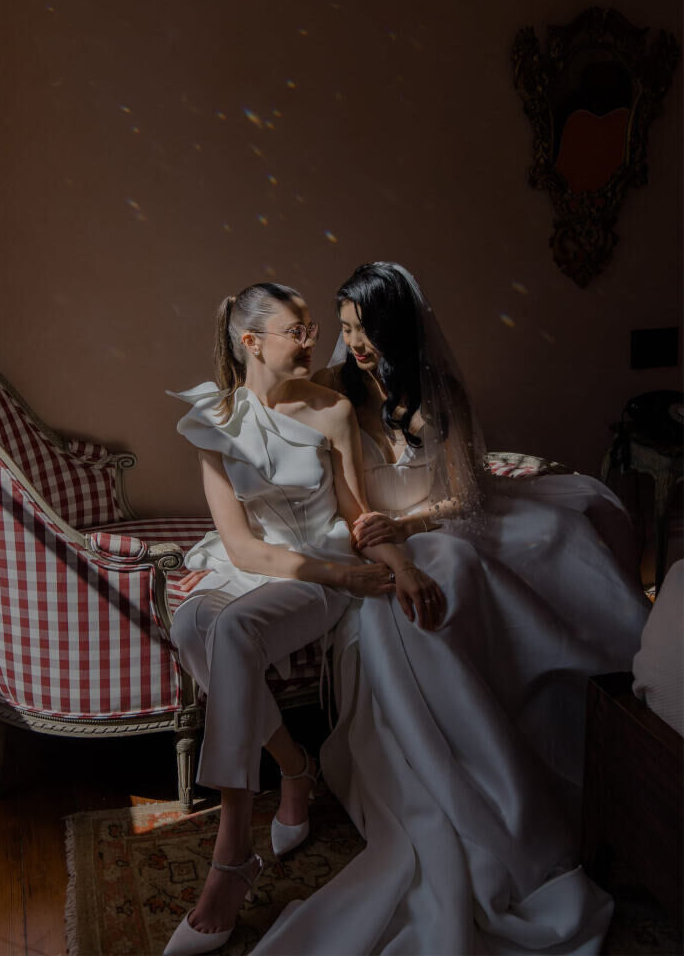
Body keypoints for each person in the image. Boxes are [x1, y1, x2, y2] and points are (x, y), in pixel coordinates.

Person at [247, 263, 649, 955]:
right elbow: (274, 402)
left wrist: (406, 528)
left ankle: (606, 722)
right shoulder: (338, 389)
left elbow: (464, 497)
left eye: (362, 328)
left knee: (520, 549)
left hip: (439, 525)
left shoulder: (442, 392)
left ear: (394, 326)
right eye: (343, 329)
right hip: (382, 540)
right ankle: (460, 767)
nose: (352, 343)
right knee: (403, 605)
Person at [164, 280, 444, 956]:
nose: (313, 340)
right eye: (297, 330)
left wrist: (392, 566)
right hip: (259, 562)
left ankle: (232, 858)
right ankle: (293, 765)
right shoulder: (212, 422)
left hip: (319, 567)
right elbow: (241, 546)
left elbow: (357, 514)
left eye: (314, 326)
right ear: (251, 341)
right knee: (190, 623)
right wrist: (339, 573)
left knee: (229, 629)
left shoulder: (333, 410)